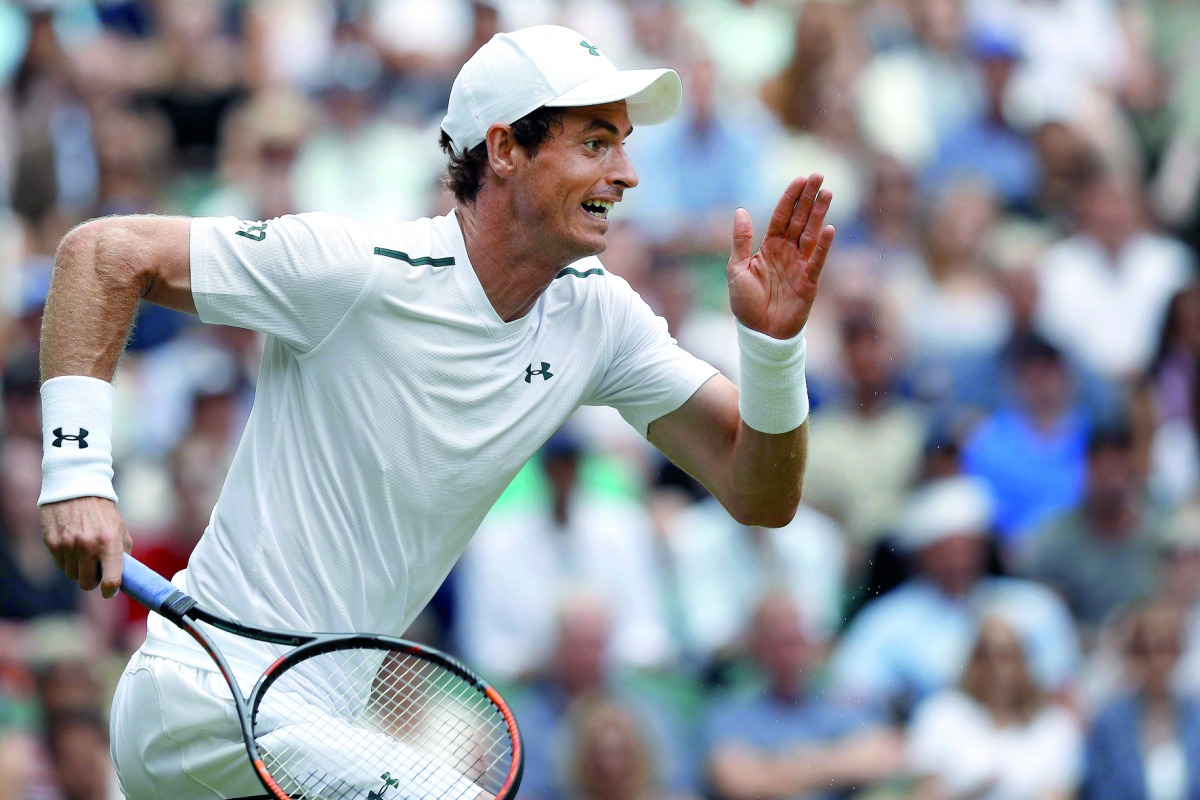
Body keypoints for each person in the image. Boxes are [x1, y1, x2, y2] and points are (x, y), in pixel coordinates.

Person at [36, 24, 836, 800]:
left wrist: (772, 352)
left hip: (310, 725)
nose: (627, 174)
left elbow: (759, 493)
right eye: (596, 143)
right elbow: (103, 254)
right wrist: (77, 474)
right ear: (504, 149)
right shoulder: (355, 271)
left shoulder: (600, 319)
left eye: (623, 144)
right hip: (204, 699)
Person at [906, 616, 1083, 800]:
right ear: (973, 661)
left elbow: (1058, 793)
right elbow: (925, 793)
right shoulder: (941, 714)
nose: (1000, 670)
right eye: (988, 658)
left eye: (1010, 657)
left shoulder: (1055, 725)